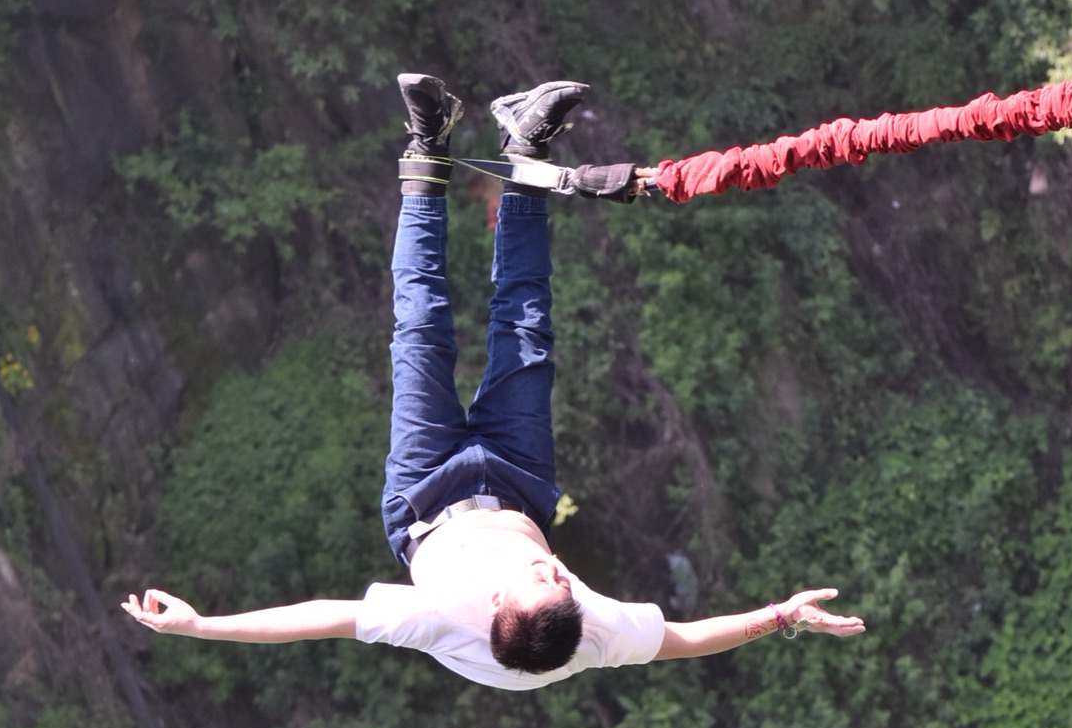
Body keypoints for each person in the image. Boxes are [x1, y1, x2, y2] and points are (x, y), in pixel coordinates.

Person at [122, 75, 864, 687]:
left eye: (542, 577)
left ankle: (427, 142)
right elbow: (680, 637)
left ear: (498, 603)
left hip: (428, 493)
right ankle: (526, 147)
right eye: (562, 580)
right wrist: (780, 616)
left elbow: (322, 616)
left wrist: (199, 624)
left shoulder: (443, 614)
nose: (555, 569)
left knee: (421, 328)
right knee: (525, 326)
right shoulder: (582, 628)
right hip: (516, 481)